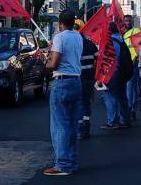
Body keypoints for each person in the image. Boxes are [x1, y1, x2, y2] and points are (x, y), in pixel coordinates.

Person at [44, 10, 84, 176]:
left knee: (60, 125)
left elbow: (54, 64)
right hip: (76, 80)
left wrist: (45, 61)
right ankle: (71, 161)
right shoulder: (78, 37)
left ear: (60, 23)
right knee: (72, 125)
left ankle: (62, 164)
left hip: (62, 82)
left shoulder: (60, 37)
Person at [101, 21, 132, 129]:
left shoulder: (110, 42)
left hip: (112, 74)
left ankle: (112, 121)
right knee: (122, 97)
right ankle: (125, 120)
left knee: (109, 96)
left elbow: (109, 60)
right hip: (122, 73)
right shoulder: (121, 40)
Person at [75, 19, 99, 139]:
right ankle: (86, 126)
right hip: (89, 77)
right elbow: (98, 59)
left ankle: (80, 129)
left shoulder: (72, 43)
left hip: (76, 78)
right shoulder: (90, 44)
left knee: (78, 103)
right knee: (86, 102)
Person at [123, 15, 141, 118]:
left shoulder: (136, 31)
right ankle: (131, 109)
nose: (127, 23)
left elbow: (139, 46)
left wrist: (136, 58)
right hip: (125, 63)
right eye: (125, 21)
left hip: (133, 62)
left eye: (129, 21)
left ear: (132, 22)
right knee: (131, 87)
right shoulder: (123, 33)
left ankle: (131, 109)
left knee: (130, 87)